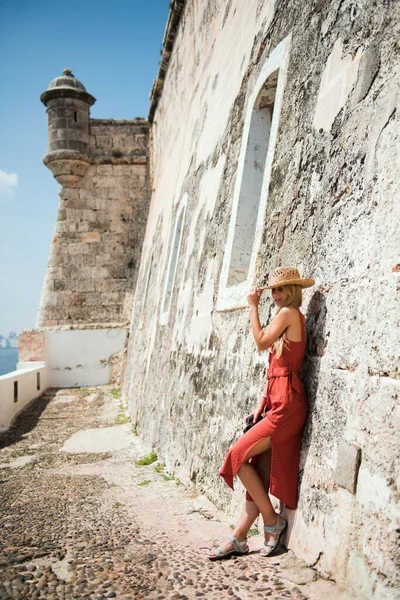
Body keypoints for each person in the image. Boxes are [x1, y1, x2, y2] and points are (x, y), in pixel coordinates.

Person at [209, 266, 315, 560]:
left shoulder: (289, 313)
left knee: (238, 456)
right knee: (257, 469)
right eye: (273, 291)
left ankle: (272, 521)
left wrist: (252, 306)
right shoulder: (286, 317)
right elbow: (276, 369)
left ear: (292, 291)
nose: (275, 295)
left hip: (288, 405)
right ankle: (239, 538)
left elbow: (260, 342)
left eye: (280, 290)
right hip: (277, 401)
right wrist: (262, 402)